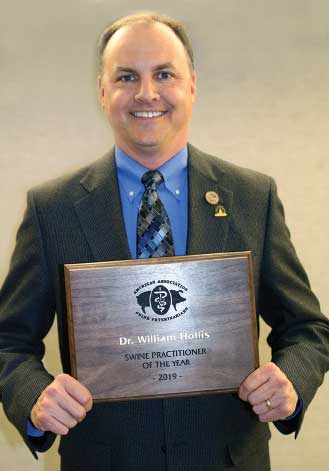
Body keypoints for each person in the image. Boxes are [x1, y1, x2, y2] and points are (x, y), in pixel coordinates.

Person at [0, 12, 328, 471]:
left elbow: (308, 330)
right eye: (127, 76)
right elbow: (8, 341)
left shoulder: (254, 198)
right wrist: (34, 396)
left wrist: (290, 380)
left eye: (164, 74)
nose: (147, 93)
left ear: (192, 84)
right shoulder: (51, 209)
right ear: (102, 90)